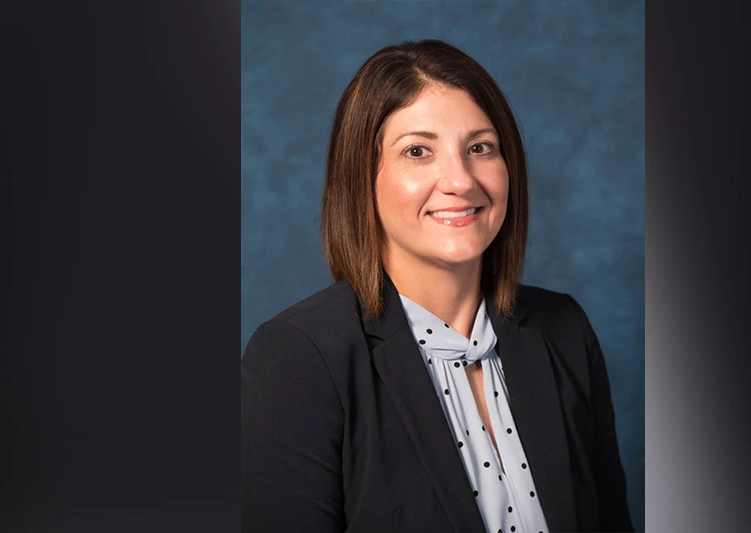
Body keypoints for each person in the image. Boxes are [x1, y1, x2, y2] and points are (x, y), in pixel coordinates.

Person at [241, 39, 634, 533]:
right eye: (418, 151)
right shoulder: (298, 359)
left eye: (479, 148)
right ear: (362, 178)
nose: (461, 181)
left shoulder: (564, 330)